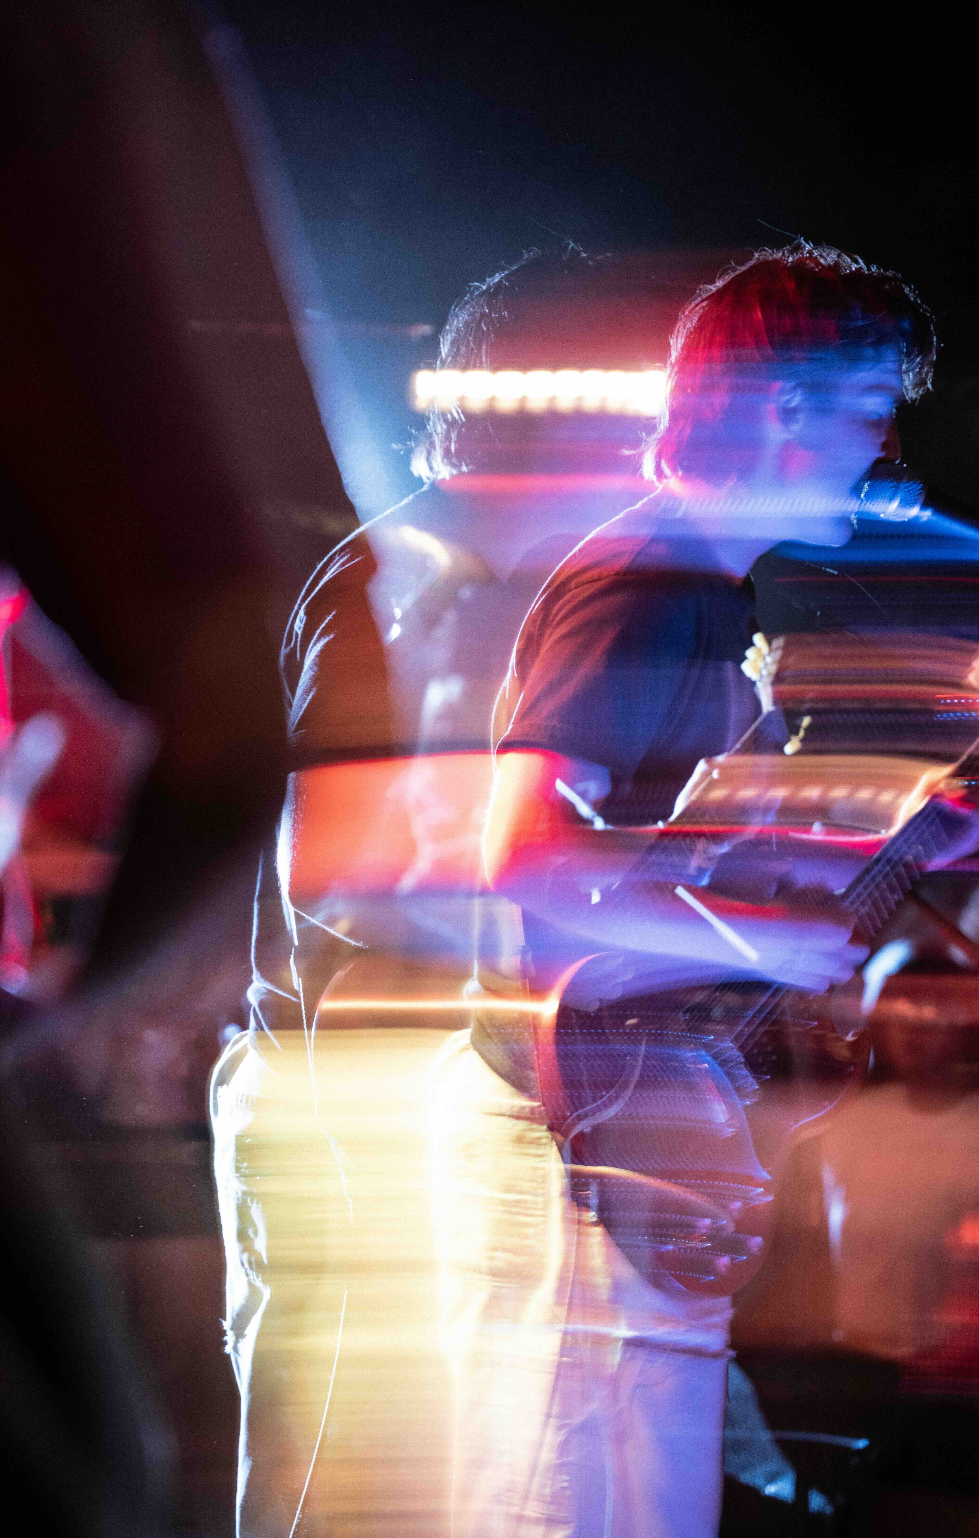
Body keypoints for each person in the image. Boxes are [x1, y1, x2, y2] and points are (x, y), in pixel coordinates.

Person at [433, 241, 939, 1538]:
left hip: (638, 1145)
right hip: (587, 1144)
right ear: (782, 406)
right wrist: (771, 949)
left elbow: (653, 871)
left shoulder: (700, 596)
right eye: (870, 410)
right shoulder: (640, 588)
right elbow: (521, 862)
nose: (883, 452)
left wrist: (905, 851)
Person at [209, 245, 681, 1537]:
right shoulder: (405, 578)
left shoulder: (549, 586)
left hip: (441, 1086)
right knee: (348, 1490)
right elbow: (331, 852)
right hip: (345, 1094)